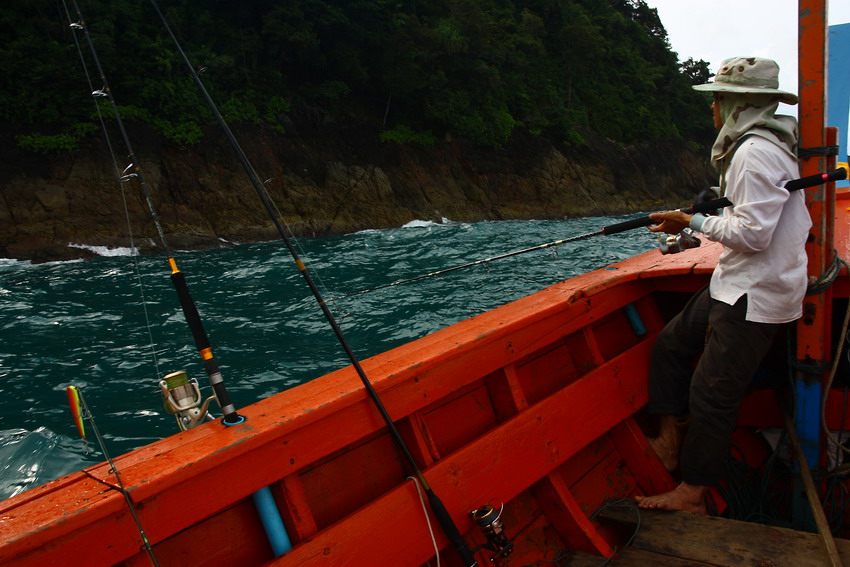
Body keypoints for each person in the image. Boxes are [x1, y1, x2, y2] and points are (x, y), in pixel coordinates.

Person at [634, 57, 812, 513]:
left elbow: (753, 235)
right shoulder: (765, 144)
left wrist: (691, 219)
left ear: (736, 102)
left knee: (711, 394)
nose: (712, 106)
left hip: (756, 291)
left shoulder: (753, 153)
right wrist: (696, 224)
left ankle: (693, 492)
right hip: (733, 281)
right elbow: (745, 217)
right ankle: (670, 442)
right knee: (672, 344)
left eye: (717, 97)